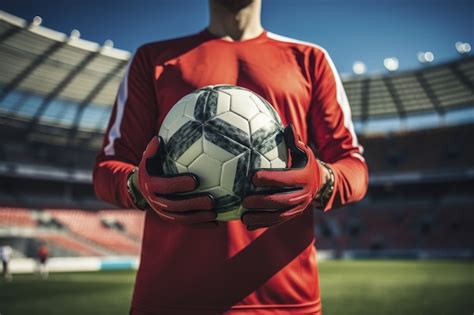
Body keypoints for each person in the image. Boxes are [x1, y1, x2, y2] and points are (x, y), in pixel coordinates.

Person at [93, 0, 368, 313]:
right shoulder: (153, 60)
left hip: (288, 302)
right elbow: (105, 171)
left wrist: (322, 179)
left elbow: (354, 167)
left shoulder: (310, 59)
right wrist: (137, 185)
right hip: (169, 300)